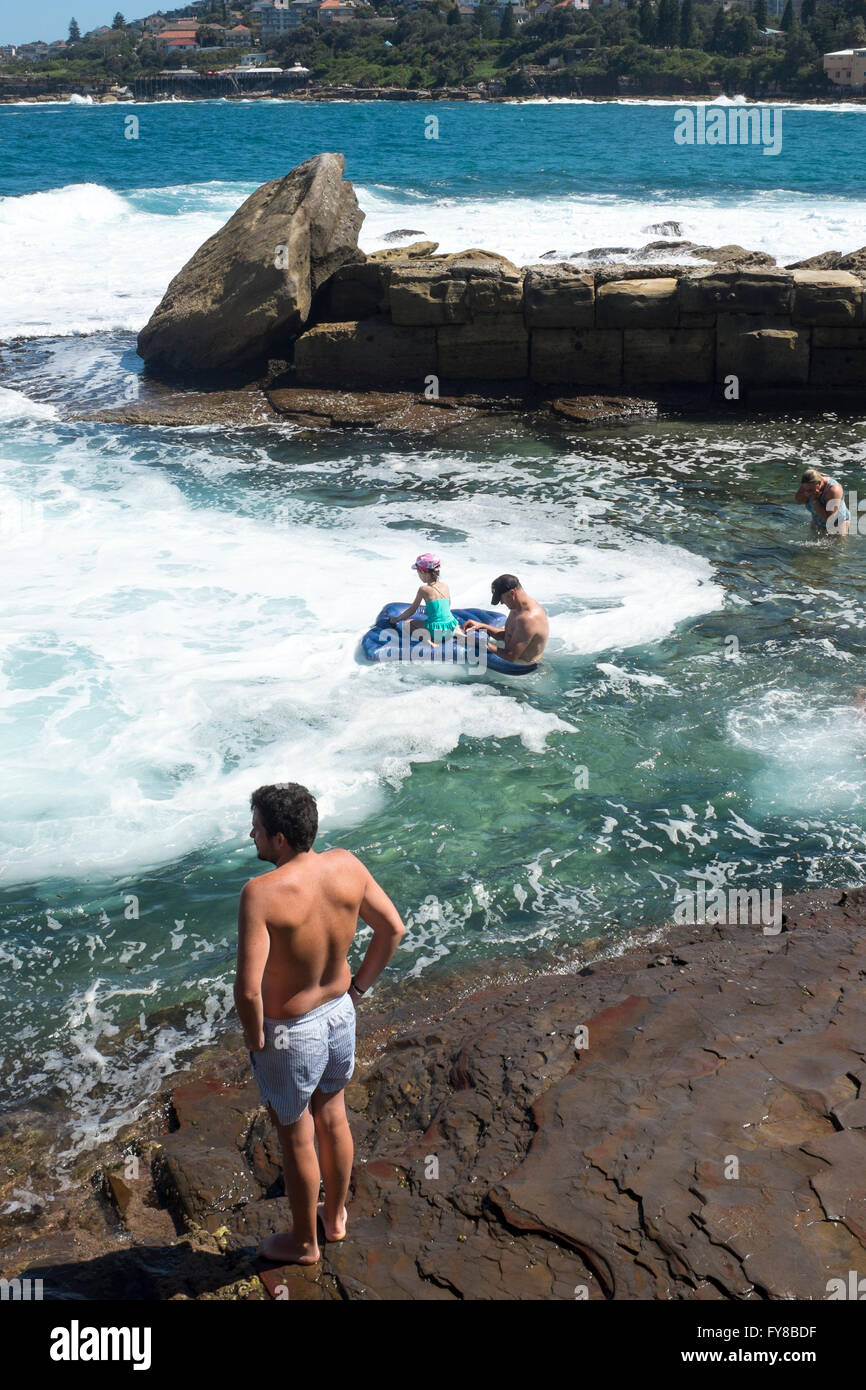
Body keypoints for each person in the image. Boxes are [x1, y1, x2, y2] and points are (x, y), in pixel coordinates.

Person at [234, 782, 405, 1265]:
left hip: (291, 1034)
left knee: (296, 1137)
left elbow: (247, 990)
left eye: (259, 830)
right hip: (339, 1014)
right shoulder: (346, 865)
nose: (252, 835)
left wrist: (255, 1038)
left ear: (280, 839)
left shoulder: (261, 894)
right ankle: (335, 1218)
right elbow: (392, 928)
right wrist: (358, 990)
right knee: (333, 1115)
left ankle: (304, 1243)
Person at [463, 574, 549, 666]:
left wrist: (480, 643)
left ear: (512, 593)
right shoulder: (516, 608)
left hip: (524, 672)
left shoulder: (529, 618)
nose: (502, 602)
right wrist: (482, 626)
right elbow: (509, 635)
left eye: (501, 598)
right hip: (514, 663)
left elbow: (510, 657)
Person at [390, 553, 464, 647]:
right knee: (451, 623)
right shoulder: (445, 586)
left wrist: (396, 619)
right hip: (451, 626)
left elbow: (412, 610)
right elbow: (448, 605)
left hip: (436, 633)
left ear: (422, 572)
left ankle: (429, 642)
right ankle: (459, 634)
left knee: (407, 624)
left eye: (418, 572)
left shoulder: (423, 589)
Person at [796, 468, 850, 535]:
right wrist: (807, 495)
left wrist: (815, 500)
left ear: (819, 483)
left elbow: (830, 521)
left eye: (810, 490)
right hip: (817, 523)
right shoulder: (807, 484)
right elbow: (798, 501)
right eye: (805, 489)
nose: (807, 492)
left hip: (837, 526)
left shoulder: (833, 490)